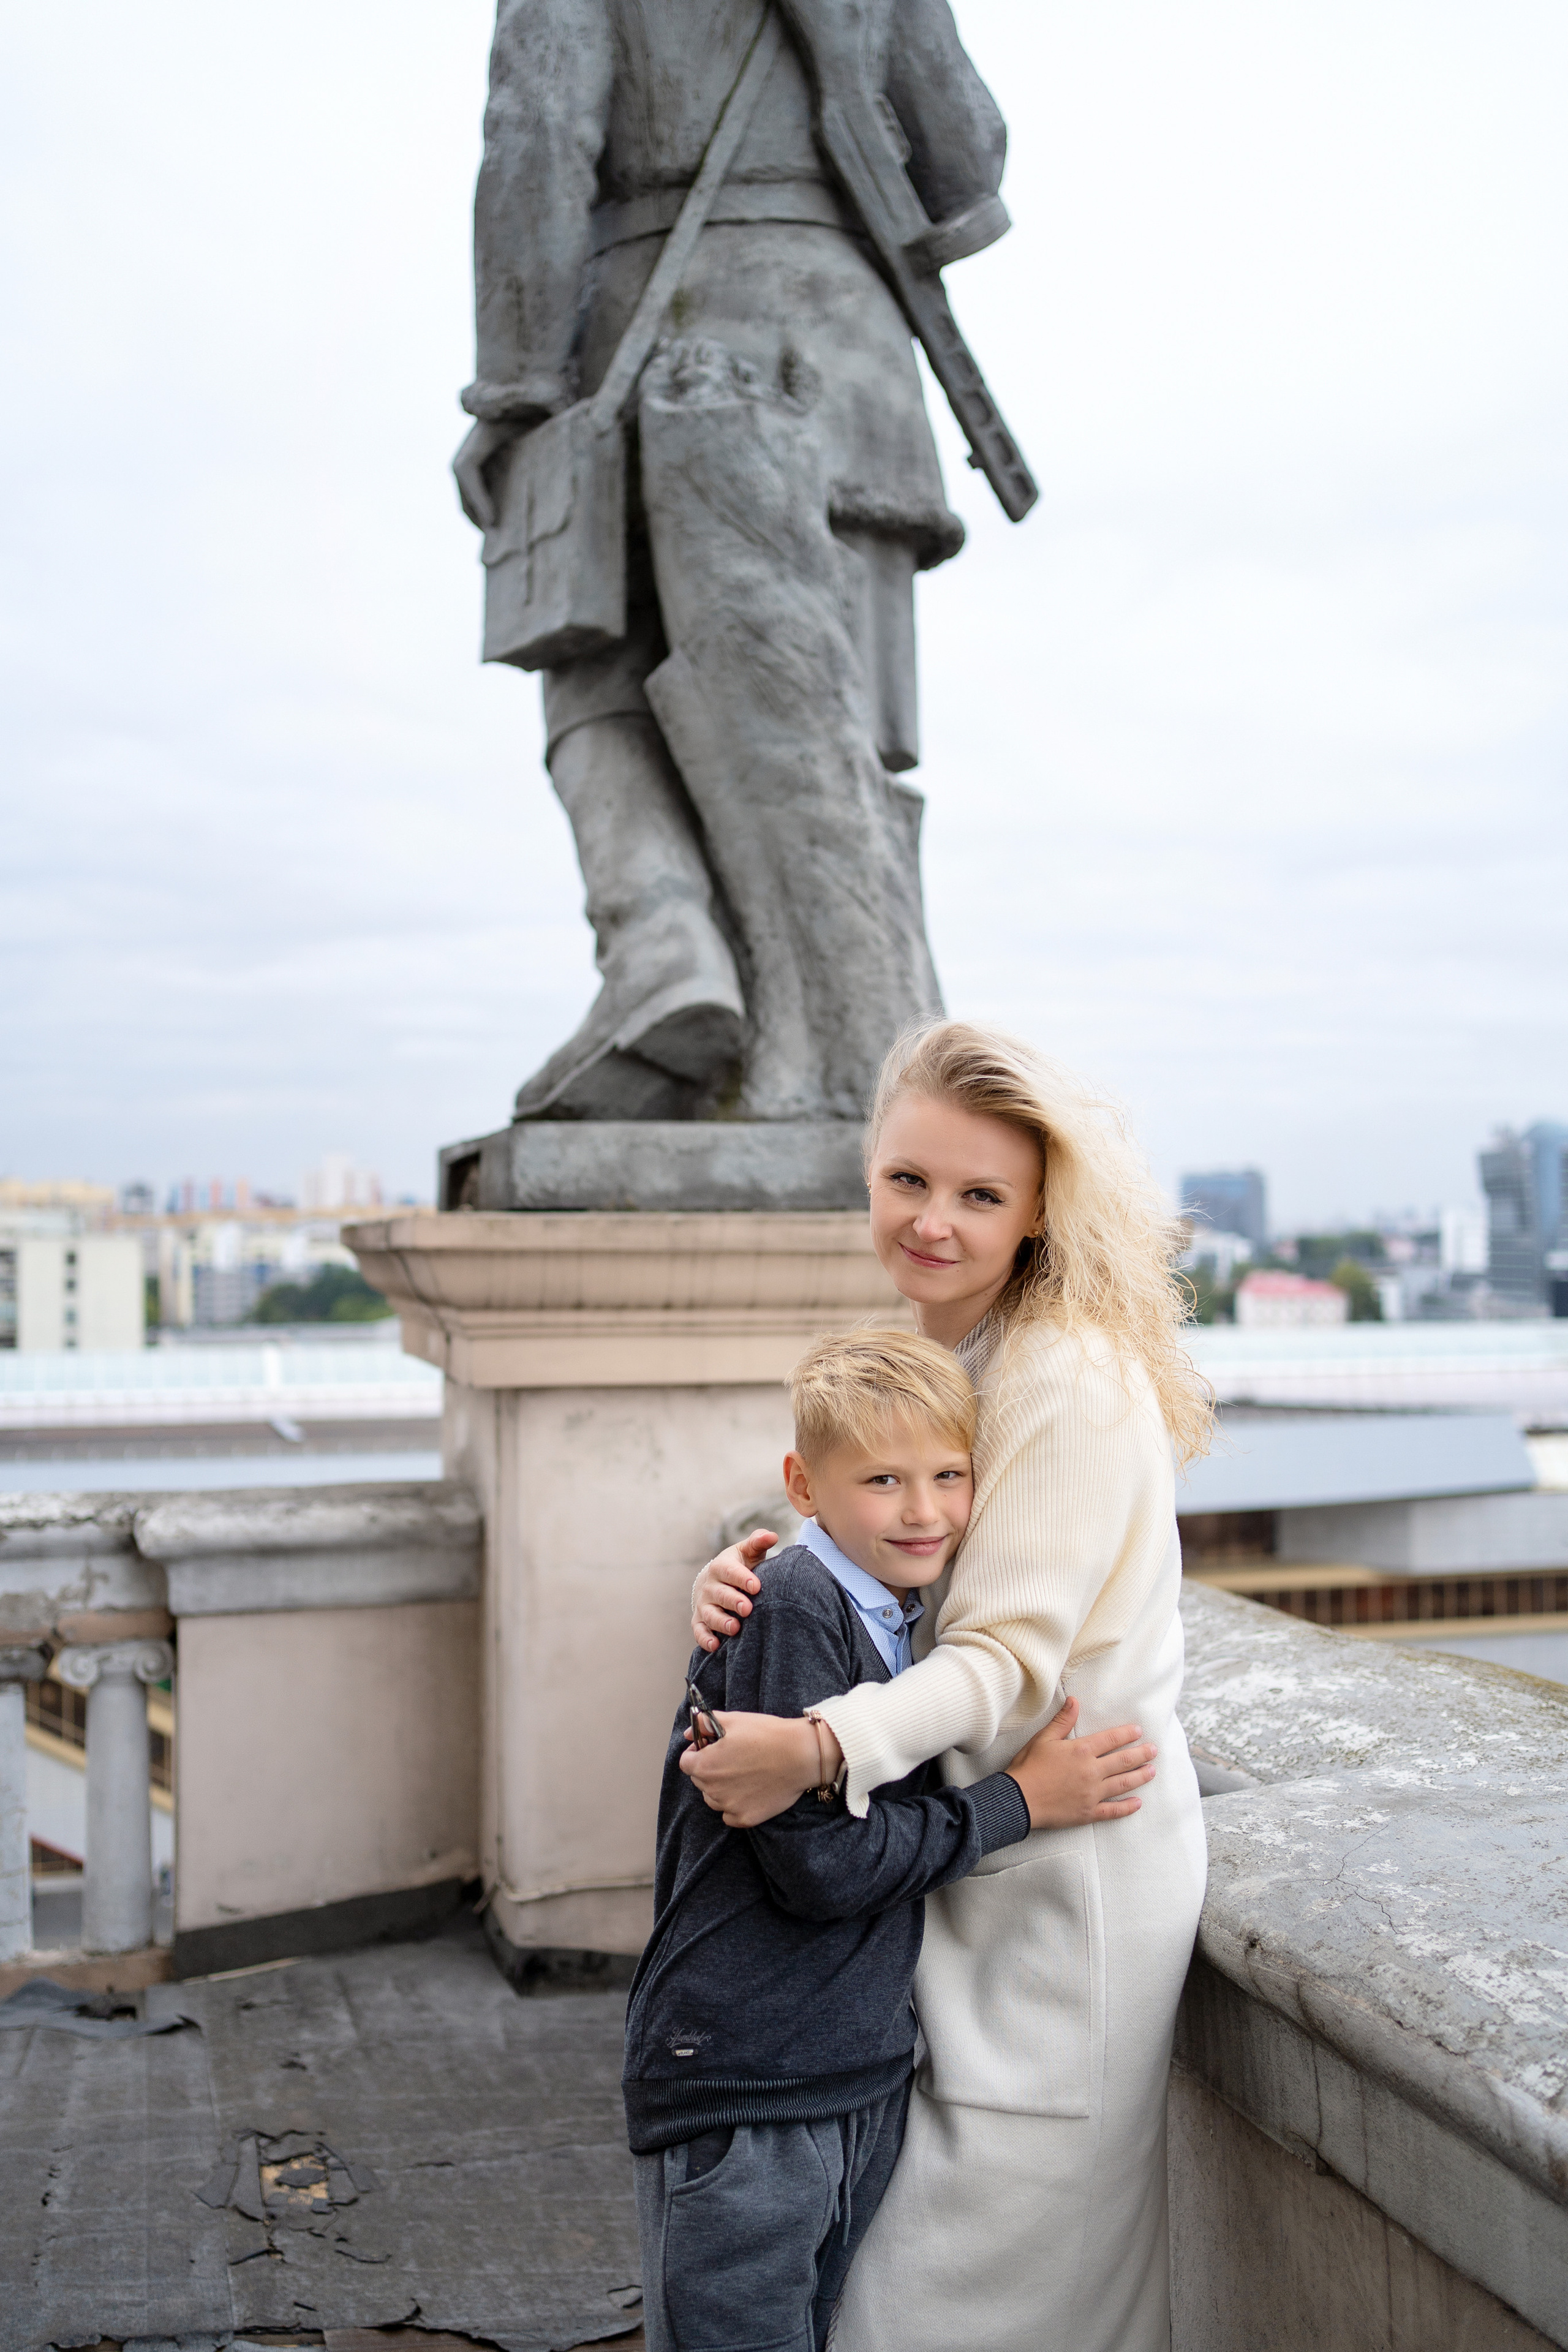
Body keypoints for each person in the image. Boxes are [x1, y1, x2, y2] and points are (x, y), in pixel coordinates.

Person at [685, 1020, 1213, 2352]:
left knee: (945, 2301)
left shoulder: (1064, 1378)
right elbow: (898, 1563)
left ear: (1038, 1216)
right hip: (972, 1867)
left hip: (1063, 1899)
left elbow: (1001, 1661)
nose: (932, 1222)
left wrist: (815, 1748)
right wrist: (763, 1571)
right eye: (907, 1180)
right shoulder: (969, 1355)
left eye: (980, 1194)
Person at [452, 0, 1014, 1123]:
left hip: (658, 345)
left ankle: (663, 944)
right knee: (841, 738)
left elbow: (537, 134)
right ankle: (837, 1060)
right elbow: (966, 164)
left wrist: (514, 390)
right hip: (851, 363)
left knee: (592, 669)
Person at [625, 1327, 1156, 2352]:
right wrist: (1019, 1802)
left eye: (950, 1476)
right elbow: (822, 1868)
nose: (924, 1512)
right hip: (746, 2079)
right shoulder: (795, 1604)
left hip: (844, 2069)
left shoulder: (899, 1613)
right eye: (883, 1480)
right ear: (804, 1485)